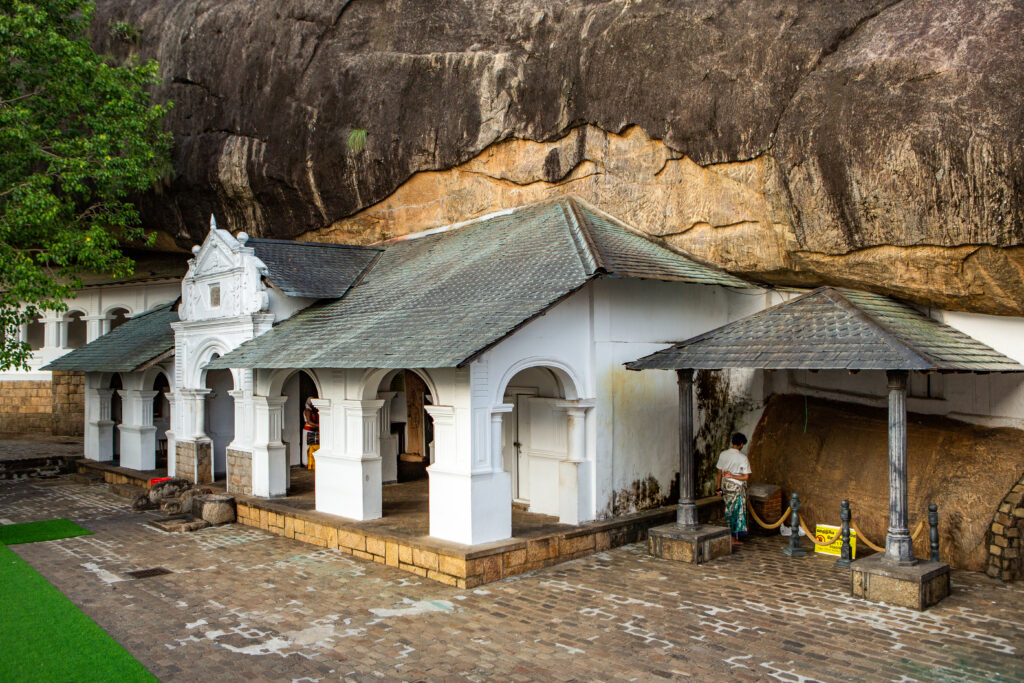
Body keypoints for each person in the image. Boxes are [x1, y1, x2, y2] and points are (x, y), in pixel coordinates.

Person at [716, 432, 751, 546]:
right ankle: (732, 537)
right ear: (741, 444)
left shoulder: (723, 454)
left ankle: (730, 535)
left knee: (728, 510)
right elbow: (746, 476)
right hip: (737, 487)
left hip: (725, 486)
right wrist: (733, 476)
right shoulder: (742, 458)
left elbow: (719, 472)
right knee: (736, 512)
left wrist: (718, 488)